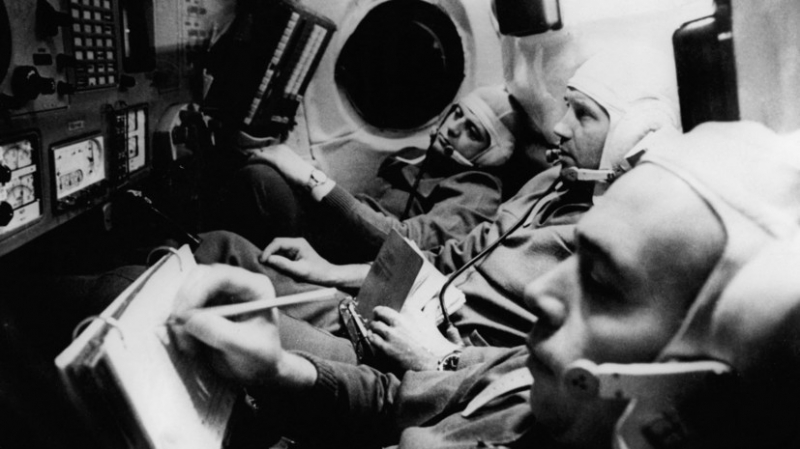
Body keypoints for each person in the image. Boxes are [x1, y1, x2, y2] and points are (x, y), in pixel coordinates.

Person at [173, 121, 800, 449]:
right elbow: (393, 402)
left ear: (696, 395)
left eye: (601, 281)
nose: (539, 294)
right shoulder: (529, 375)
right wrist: (277, 369)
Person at [194, 44, 681, 370]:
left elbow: (528, 368)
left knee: (214, 302)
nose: (560, 128)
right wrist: (332, 272)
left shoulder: (609, 246)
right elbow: (446, 261)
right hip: (397, 306)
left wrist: (440, 359)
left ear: (628, 138)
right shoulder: (548, 184)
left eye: (584, 115)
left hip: (419, 348)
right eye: (567, 107)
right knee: (222, 247)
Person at [210, 84, 530, 261]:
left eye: (473, 132)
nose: (454, 127)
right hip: (340, 235)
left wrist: (311, 178)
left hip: (353, 259)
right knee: (251, 167)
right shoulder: (418, 159)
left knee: (261, 181)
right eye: (457, 114)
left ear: (492, 154)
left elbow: (405, 244)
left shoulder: (479, 191)